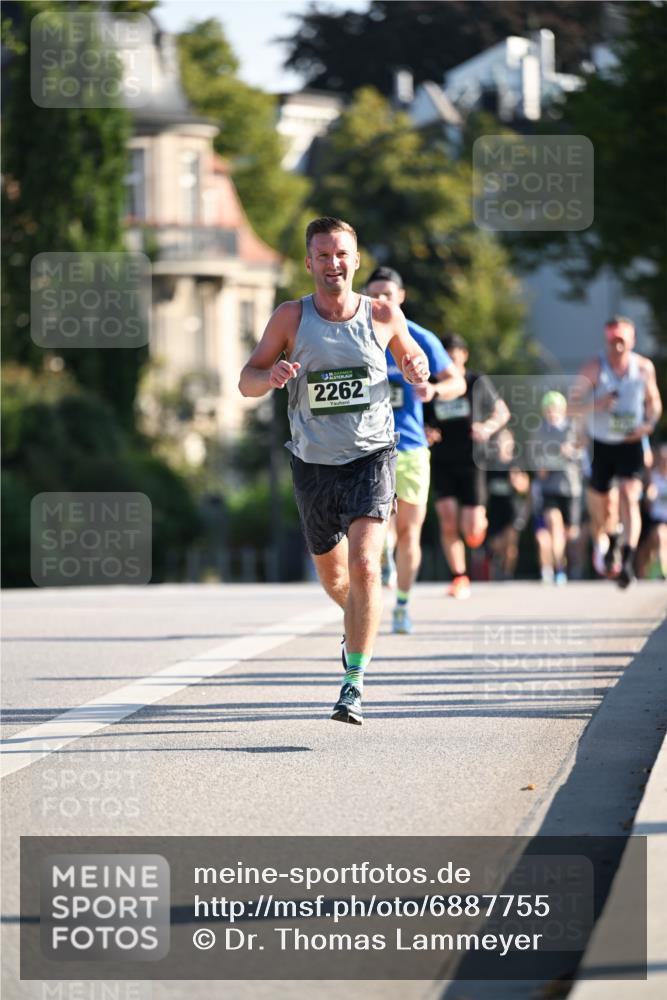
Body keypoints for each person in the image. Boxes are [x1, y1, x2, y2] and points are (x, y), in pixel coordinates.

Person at [239, 217, 430, 725]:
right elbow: (246, 381)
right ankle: (356, 624)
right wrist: (271, 375)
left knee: (368, 565)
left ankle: (354, 683)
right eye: (322, 255)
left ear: (357, 260)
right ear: (309, 263)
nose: (333, 264)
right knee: (338, 576)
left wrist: (415, 370)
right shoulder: (290, 317)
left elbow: (412, 360)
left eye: (341, 254)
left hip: (372, 456)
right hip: (314, 463)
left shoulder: (384, 314)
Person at [364, 267, 466, 633]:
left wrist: (434, 391)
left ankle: (402, 605)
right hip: (368, 448)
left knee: (410, 532)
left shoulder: (420, 337)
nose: (382, 302)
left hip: (411, 449)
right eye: (374, 296)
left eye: (388, 295)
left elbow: (457, 382)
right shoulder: (358, 336)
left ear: (401, 297)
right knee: (375, 529)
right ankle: (384, 565)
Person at [570, 316, 662, 588]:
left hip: (630, 442)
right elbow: (570, 406)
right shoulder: (594, 368)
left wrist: (648, 425)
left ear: (631, 341)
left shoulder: (643, 368)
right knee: (604, 505)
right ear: (606, 341)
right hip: (601, 444)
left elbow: (654, 403)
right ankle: (611, 541)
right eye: (613, 341)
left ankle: (628, 558)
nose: (617, 347)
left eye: (622, 341)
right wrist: (595, 404)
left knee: (629, 496)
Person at [424, 334, 510, 599]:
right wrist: (427, 431)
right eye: (445, 353)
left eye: (454, 353)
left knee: (471, 530)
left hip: (472, 461)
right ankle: (459, 577)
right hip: (442, 460)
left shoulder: (476, 382)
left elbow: (502, 412)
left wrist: (487, 427)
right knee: (448, 522)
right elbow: (423, 419)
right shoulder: (432, 385)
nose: (450, 357)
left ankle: (476, 533)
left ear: (464, 355)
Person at [531, 391, 584, 584]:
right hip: (549, 487)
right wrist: (540, 467)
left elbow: (581, 452)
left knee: (571, 533)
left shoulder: (571, 427)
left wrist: (569, 452)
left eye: (555, 409)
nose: (551, 413)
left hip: (570, 487)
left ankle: (573, 565)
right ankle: (558, 568)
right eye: (548, 409)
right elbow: (534, 455)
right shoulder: (539, 430)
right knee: (554, 524)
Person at [485, 428, 531, 581]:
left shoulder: (517, 463)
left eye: (506, 440)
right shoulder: (489, 463)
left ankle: (507, 574)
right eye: (500, 440)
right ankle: (496, 567)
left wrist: (517, 483)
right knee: (496, 545)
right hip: (495, 509)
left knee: (510, 544)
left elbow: (525, 487)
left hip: (513, 509)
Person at [637, 443, 667, 579]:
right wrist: (649, 495)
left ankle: (662, 571)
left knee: (661, 536)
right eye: (662, 458)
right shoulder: (653, 477)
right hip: (653, 521)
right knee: (645, 550)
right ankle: (643, 578)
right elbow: (648, 500)